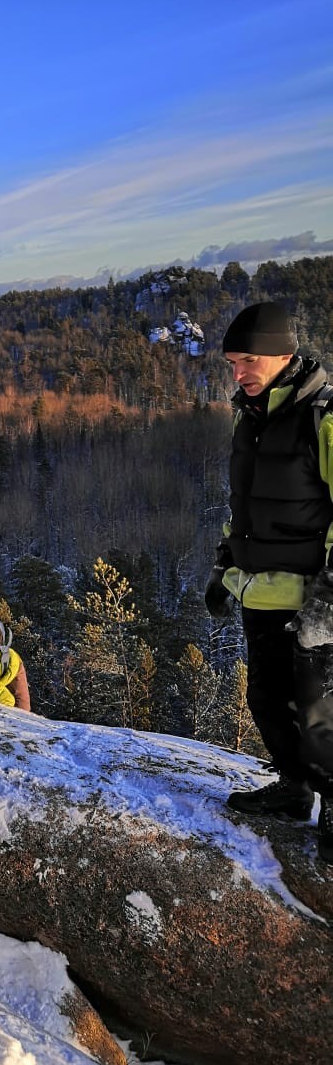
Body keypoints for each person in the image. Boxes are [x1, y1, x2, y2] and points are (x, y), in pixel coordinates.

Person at [204, 302, 333, 863]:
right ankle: (293, 789)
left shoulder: (322, 417)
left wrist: (328, 598)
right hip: (262, 591)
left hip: (315, 597)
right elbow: (245, 509)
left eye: (248, 361)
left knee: (320, 711)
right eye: (232, 363)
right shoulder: (249, 416)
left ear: (284, 353)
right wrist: (222, 569)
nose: (238, 373)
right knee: (265, 699)